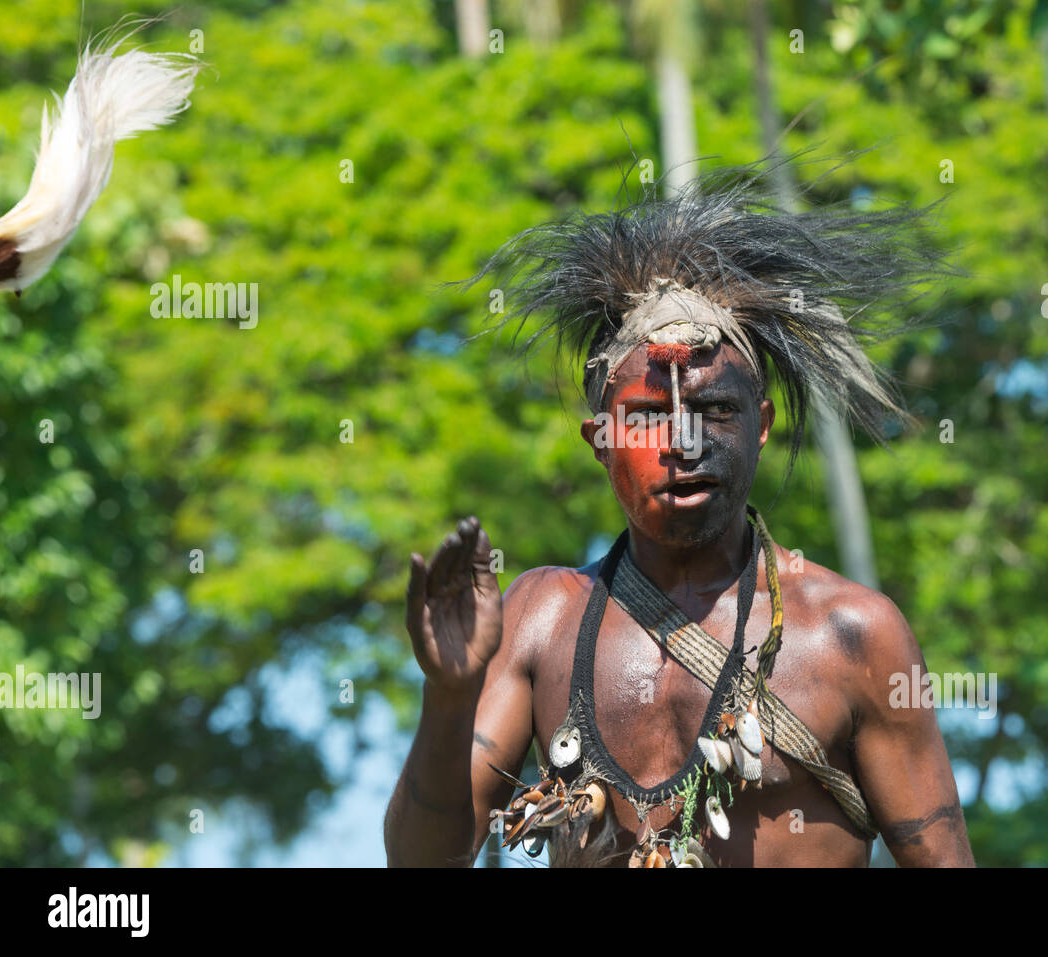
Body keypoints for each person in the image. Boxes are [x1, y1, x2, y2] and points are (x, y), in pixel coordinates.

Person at [383, 164, 974, 867]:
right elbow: (423, 861)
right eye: (647, 417)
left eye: (715, 410)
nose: (684, 442)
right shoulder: (541, 621)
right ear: (600, 440)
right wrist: (449, 695)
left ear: (759, 425)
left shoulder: (851, 636)